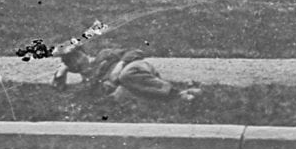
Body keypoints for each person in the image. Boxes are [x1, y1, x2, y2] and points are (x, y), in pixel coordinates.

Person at [54, 38, 200, 104]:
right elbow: (63, 94)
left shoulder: (104, 54)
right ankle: (182, 95)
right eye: (71, 61)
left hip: (136, 68)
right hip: (136, 85)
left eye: (78, 55)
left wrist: (120, 65)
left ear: (84, 53)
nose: (78, 61)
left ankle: (176, 93)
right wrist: (60, 74)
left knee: (126, 75)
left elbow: (135, 51)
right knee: (122, 93)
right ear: (71, 68)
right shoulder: (89, 83)